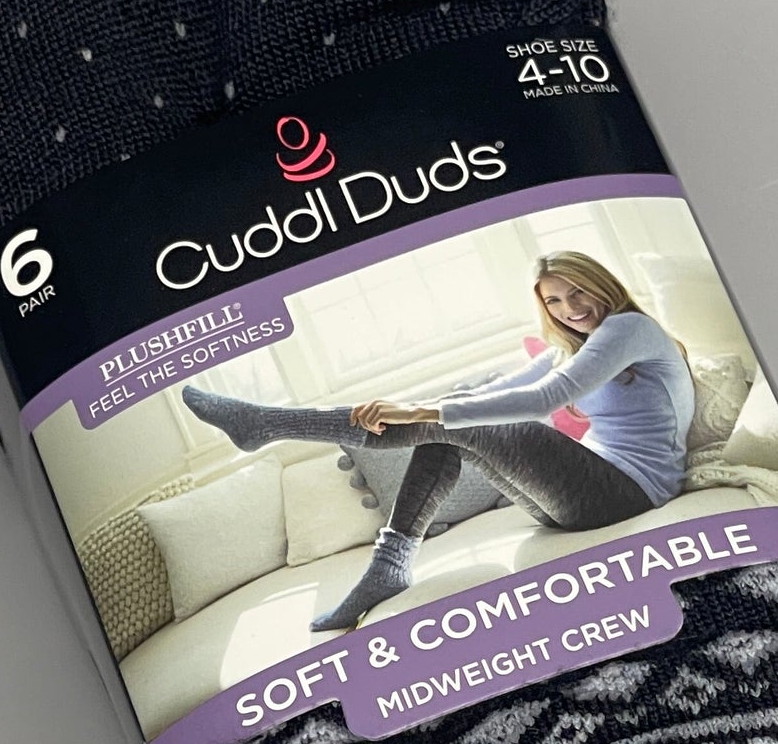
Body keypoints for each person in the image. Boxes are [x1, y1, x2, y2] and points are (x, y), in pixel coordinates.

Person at [183, 251, 696, 631]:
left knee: (462, 420)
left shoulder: (629, 328)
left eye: (578, 292)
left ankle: (268, 424)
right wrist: (423, 407)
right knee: (453, 421)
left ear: (601, 284)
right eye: (555, 301)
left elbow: (545, 398)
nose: (570, 308)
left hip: (631, 493)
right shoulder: (574, 348)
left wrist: (422, 412)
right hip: (582, 498)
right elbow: (494, 393)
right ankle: (390, 563)